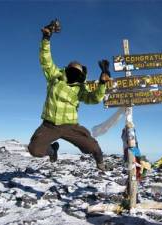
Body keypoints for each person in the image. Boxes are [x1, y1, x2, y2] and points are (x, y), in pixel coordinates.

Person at [28, 19, 111, 171]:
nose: (74, 73)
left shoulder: (80, 87)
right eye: (72, 70)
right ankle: (53, 150)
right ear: (67, 70)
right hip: (50, 125)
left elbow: (94, 99)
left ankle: (101, 163)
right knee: (35, 150)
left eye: (77, 72)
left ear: (81, 74)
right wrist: (46, 39)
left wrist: (102, 84)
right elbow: (46, 61)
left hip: (71, 126)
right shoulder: (56, 77)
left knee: (91, 146)